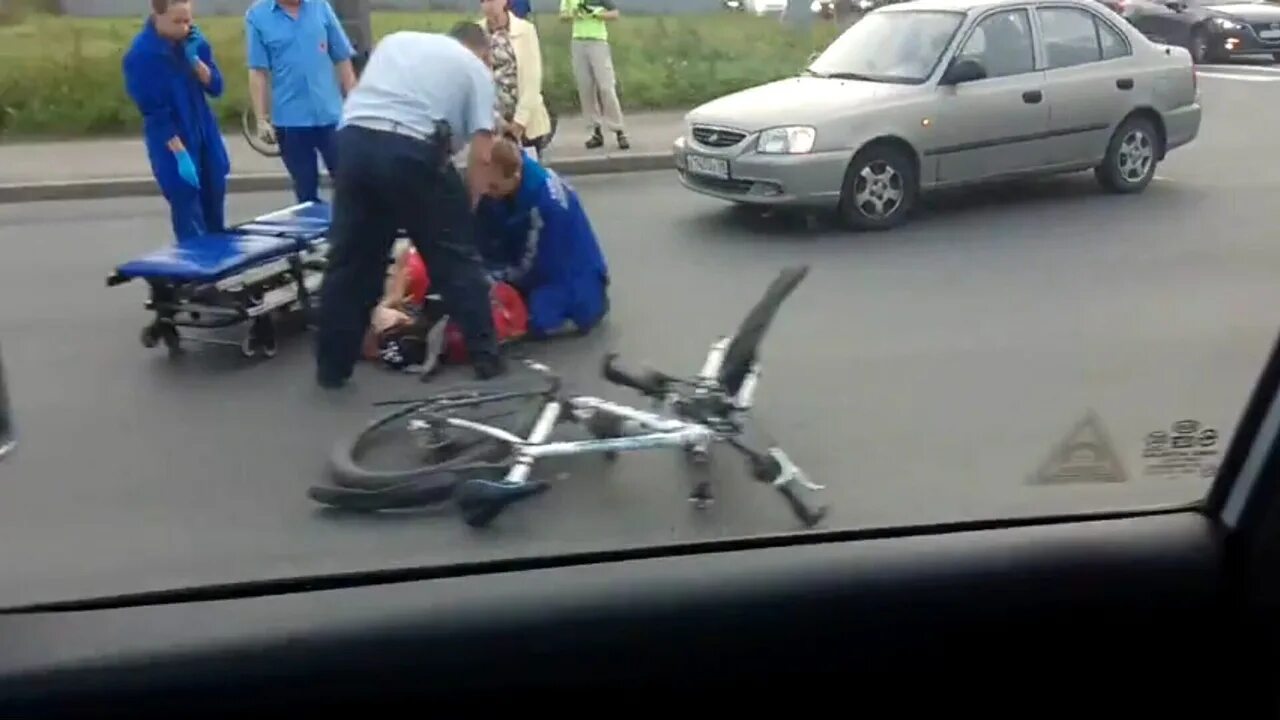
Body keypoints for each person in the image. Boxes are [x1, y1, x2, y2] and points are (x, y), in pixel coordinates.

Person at [314, 23, 505, 389]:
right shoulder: (477, 69)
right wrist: (466, 209)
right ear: (481, 51)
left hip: (353, 144)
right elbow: (482, 156)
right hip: (413, 150)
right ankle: (488, 360)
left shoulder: (395, 40)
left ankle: (332, 369)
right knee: (456, 260)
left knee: (351, 263)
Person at [479, 138, 609, 337]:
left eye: (494, 186)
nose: (488, 190)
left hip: (571, 277)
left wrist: (495, 277)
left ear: (515, 176)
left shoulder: (545, 206)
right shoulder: (521, 174)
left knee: (529, 321)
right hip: (554, 262)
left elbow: (535, 264)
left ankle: (582, 310)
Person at [122, 0, 229, 242]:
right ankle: (195, 271)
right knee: (188, 207)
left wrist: (196, 61)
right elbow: (155, 112)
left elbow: (216, 87)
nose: (184, 27)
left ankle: (219, 263)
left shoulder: (193, 43)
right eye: (177, 21)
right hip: (174, 141)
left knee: (215, 198)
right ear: (158, 16)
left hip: (204, 131)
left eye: (188, 20)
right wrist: (181, 156)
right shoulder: (143, 56)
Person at [245, 0, 358, 204]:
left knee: (350, 184)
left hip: (331, 115)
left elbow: (342, 57)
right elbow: (258, 71)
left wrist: (356, 104)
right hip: (290, 121)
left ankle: (352, 233)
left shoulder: (320, 6)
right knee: (305, 191)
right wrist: (261, 119)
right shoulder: (257, 16)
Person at [477, 0, 553, 157]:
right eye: (484, 1)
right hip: (493, 124)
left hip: (525, 122)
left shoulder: (525, 30)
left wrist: (518, 124)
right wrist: (498, 121)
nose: (489, 5)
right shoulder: (478, 33)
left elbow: (532, 80)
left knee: (526, 174)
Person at [559, 0, 628, 150]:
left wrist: (597, 14)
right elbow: (562, 15)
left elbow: (615, 14)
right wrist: (573, 14)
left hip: (598, 41)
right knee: (585, 88)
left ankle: (618, 130)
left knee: (606, 86)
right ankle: (595, 131)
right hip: (578, 41)